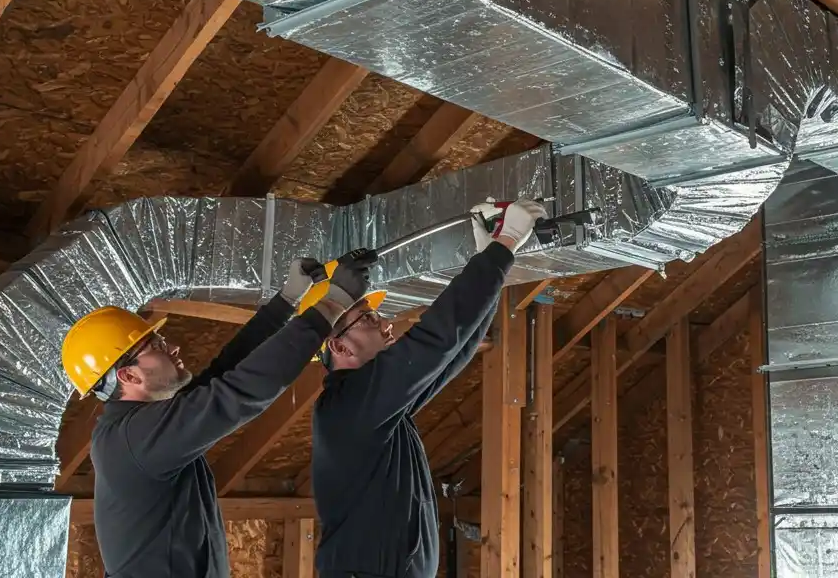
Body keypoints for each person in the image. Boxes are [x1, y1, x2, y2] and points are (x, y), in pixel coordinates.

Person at [61, 250, 381, 578]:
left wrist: (286, 300)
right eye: (155, 346)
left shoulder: (143, 424)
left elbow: (227, 369)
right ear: (128, 376)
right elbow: (239, 391)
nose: (172, 348)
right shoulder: (136, 438)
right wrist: (333, 303)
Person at [310, 198, 547, 578]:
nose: (386, 325)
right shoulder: (349, 405)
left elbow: (452, 350)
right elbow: (434, 341)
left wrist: (493, 257)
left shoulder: (371, 406)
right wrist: (502, 247)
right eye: (369, 319)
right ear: (338, 346)